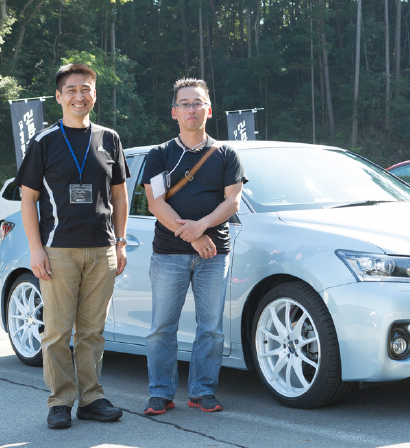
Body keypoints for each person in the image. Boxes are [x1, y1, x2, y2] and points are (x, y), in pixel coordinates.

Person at [14, 63, 130, 429]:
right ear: (59, 96)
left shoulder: (109, 138)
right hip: (58, 250)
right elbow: (28, 200)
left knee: (92, 331)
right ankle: (60, 401)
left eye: (86, 89)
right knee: (57, 332)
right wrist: (36, 249)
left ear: (95, 93)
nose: (79, 96)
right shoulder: (44, 141)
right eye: (72, 90)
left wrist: (121, 242)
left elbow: (119, 196)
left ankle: (92, 398)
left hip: (102, 249)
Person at [141, 78, 247, 414]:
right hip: (168, 254)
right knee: (162, 328)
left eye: (198, 102)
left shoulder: (226, 154)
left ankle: (202, 391)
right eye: (184, 103)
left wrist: (202, 226)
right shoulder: (159, 155)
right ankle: (160, 393)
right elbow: (155, 203)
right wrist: (194, 235)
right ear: (174, 112)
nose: (192, 109)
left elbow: (233, 202)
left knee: (211, 328)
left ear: (208, 110)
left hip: (215, 256)